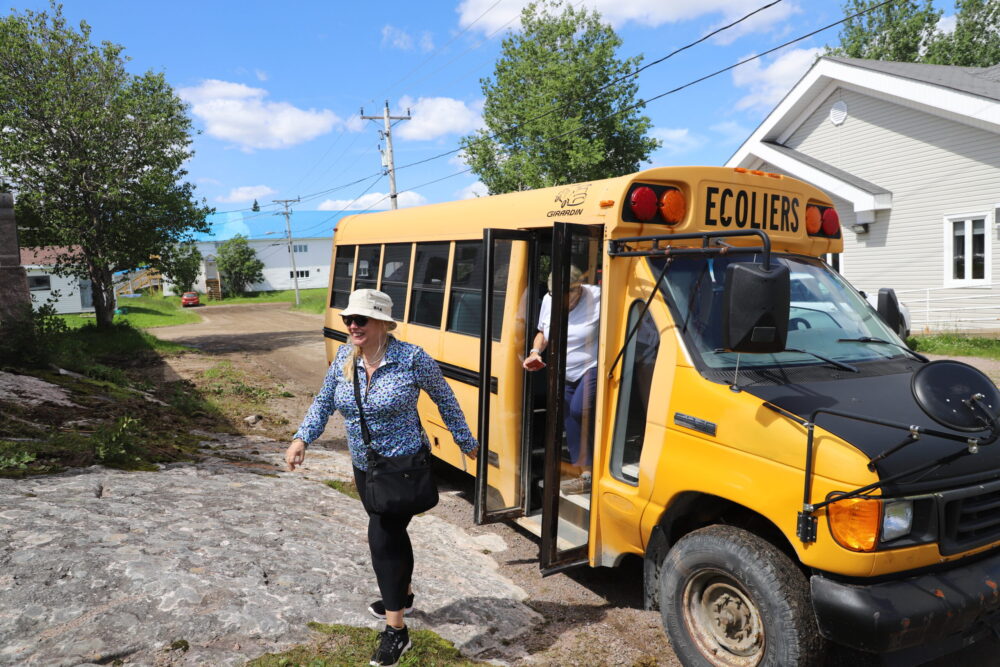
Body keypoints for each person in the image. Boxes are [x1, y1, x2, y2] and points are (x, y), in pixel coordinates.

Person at [284, 288, 478, 667]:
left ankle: (396, 630)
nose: (352, 326)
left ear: (383, 323)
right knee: (392, 531)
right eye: (348, 320)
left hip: (403, 464)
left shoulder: (411, 358)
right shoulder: (345, 356)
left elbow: (444, 397)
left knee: (383, 535)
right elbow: (325, 400)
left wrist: (464, 440)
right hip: (365, 466)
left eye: (361, 320)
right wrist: (301, 437)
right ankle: (401, 594)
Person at [522, 265, 600, 490]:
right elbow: (542, 333)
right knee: (569, 417)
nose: (565, 303)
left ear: (580, 289)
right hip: (564, 369)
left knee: (579, 409)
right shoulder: (549, 299)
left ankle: (601, 466)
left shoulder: (598, 296)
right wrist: (535, 352)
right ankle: (585, 474)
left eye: (570, 296)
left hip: (591, 365)